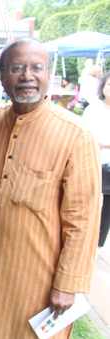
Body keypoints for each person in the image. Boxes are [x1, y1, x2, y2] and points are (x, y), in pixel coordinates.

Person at [0, 38, 100, 339]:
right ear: (1, 76)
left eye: (37, 67)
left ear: (49, 74)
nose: (28, 76)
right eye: (17, 68)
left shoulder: (76, 135)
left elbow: (84, 219)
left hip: (38, 279)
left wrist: (67, 282)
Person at [82, 71, 110, 258]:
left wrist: (105, 143)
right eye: (109, 84)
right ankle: (84, 240)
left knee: (107, 206)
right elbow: (84, 131)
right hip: (92, 161)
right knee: (88, 201)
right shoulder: (92, 108)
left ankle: (98, 246)